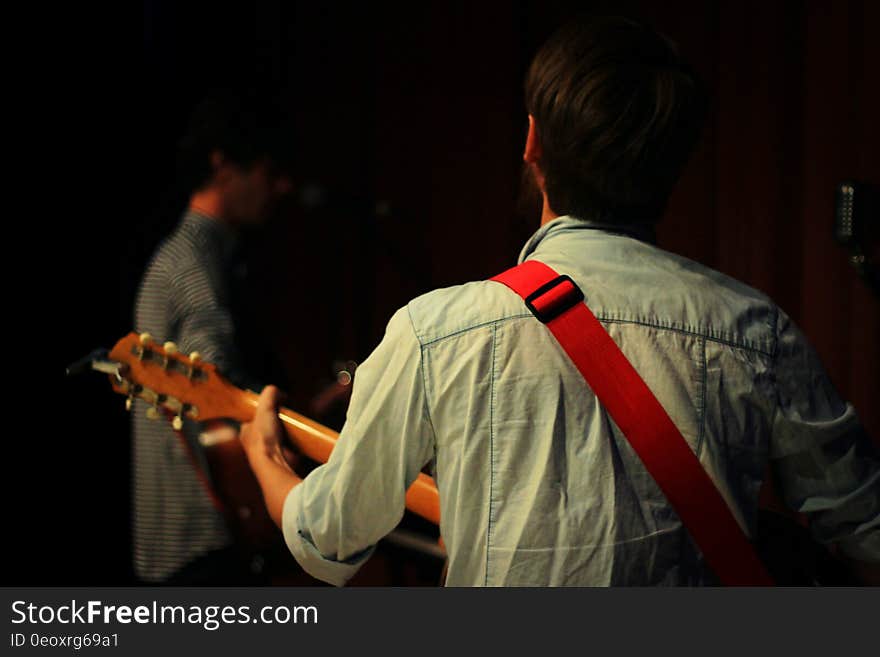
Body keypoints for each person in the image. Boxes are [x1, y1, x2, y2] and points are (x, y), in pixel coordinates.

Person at [240, 16, 879, 586]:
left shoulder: (435, 332)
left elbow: (328, 535)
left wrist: (265, 456)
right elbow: (865, 529)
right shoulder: (756, 332)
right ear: (674, 164)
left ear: (532, 143)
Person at [132, 89, 294, 584]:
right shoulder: (196, 267)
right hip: (204, 541)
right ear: (224, 164)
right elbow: (218, 397)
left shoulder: (181, 257)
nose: (281, 187)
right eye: (269, 171)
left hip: (176, 541)